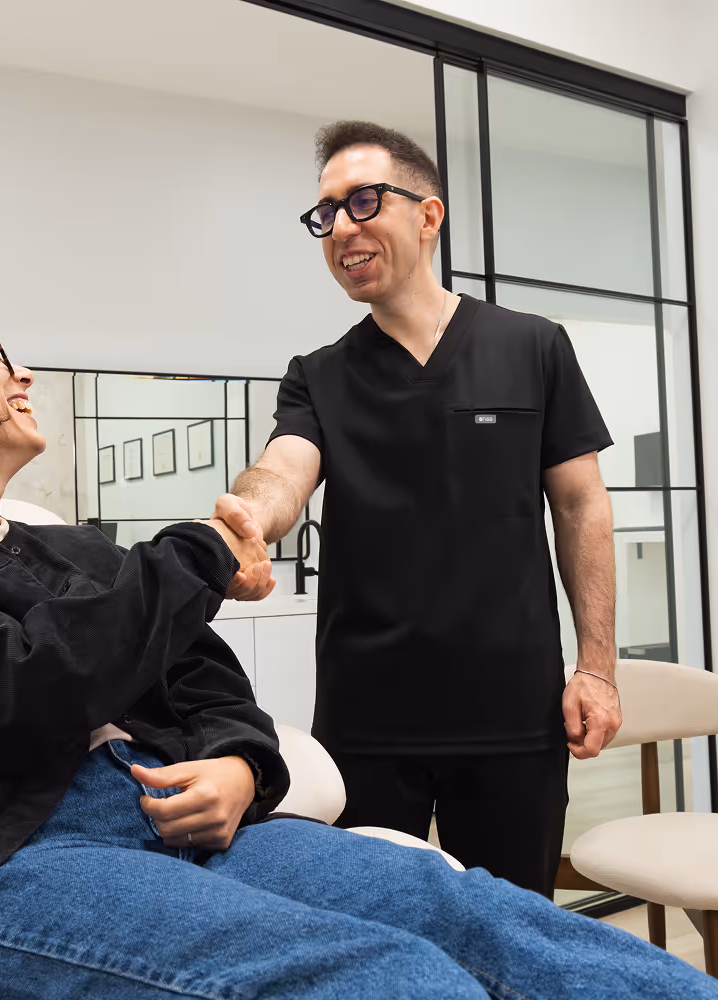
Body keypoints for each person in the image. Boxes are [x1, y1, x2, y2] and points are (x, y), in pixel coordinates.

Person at [0, 306, 718, 1000]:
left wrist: (243, 764)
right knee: (392, 980)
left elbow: (208, 681)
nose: (21, 372)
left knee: (491, 919)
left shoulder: (80, 554)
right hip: (32, 856)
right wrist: (198, 550)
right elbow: (22, 685)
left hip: (204, 825)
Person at [214, 121, 620, 897]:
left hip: (511, 714)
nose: (341, 228)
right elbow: (283, 471)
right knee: (377, 935)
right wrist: (245, 520)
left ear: (427, 215)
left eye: (363, 201)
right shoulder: (319, 376)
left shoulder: (533, 346)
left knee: (512, 928)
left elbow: (580, 506)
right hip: (368, 721)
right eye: (325, 213)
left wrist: (596, 667)